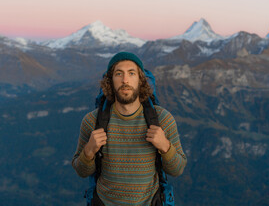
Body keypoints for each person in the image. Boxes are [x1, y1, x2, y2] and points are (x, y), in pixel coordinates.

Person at [72, 52, 187, 205]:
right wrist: (89, 151)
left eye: (131, 73)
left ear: (140, 80)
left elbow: (177, 169)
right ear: (110, 81)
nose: (125, 80)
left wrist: (165, 146)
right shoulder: (92, 121)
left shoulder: (162, 119)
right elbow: (81, 171)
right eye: (118, 74)